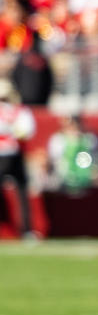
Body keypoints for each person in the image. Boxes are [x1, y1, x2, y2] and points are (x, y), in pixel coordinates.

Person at [0, 82, 36, 238]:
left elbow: (27, 131)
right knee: (22, 192)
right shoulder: (21, 111)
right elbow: (26, 131)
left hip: (12, 154)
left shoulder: (21, 111)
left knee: (22, 191)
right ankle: (26, 230)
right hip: (10, 153)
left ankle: (26, 229)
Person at [46, 115, 98, 193]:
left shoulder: (90, 139)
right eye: (70, 126)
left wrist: (95, 172)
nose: (73, 129)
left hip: (85, 180)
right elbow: (53, 160)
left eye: (75, 125)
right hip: (63, 180)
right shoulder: (58, 140)